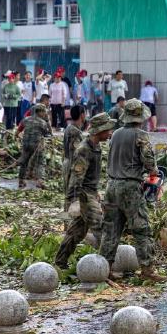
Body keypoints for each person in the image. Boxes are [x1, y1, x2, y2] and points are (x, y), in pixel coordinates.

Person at [100, 99, 164, 282]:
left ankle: (105, 269)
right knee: (141, 229)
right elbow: (150, 164)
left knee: (111, 230)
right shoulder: (140, 135)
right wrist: (153, 172)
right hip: (130, 187)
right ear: (140, 117)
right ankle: (147, 270)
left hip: (111, 186)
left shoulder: (115, 134)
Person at [55, 113, 116, 269]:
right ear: (99, 131)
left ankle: (60, 262)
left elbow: (91, 175)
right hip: (83, 195)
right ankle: (105, 268)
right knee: (101, 229)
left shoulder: (96, 147)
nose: (110, 133)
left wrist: (95, 191)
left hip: (90, 192)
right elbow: (76, 176)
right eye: (107, 129)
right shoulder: (84, 149)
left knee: (76, 232)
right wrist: (74, 201)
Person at [17, 103, 52, 188]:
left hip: (26, 145)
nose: (45, 114)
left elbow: (17, 132)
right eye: (44, 112)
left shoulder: (25, 120)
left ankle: (21, 181)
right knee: (41, 162)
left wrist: (19, 137)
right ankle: (40, 181)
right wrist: (48, 121)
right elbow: (49, 134)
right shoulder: (42, 122)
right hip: (37, 146)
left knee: (24, 162)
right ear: (39, 112)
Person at [63, 105, 86, 222]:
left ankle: (67, 223)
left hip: (68, 163)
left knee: (69, 195)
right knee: (73, 196)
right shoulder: (74, 131)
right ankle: (69, 223)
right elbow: (77, 153)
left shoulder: (70, 128)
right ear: (82, 115)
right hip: (73, 166)